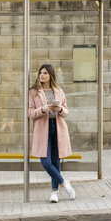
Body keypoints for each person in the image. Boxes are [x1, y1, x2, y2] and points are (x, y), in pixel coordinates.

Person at [28, 64, 76, 203]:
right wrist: (43, 109)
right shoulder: (33, 91)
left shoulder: (59, 91)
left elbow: (66, 112)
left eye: (45, 73)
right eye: (40, 73)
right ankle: (64, 183)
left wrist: (59, 108)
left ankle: (54, 192)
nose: (42, 75)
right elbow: (30, 113)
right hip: (43, 129)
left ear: (51, 75)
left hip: (58, 127)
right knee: (46, 162)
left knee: (55, 160)